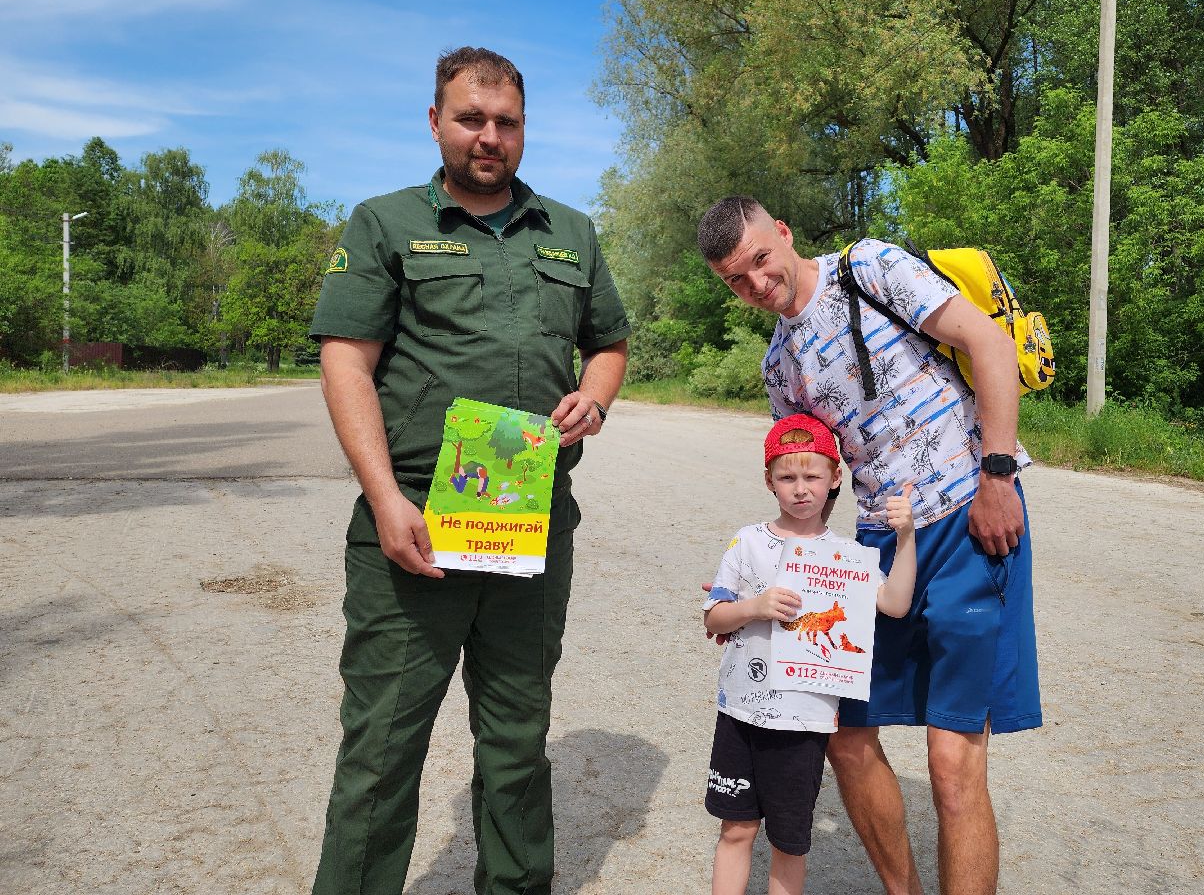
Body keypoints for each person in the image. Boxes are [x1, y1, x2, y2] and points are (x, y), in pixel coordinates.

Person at [308, 46, 630, 895]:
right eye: (471, 120)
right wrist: (383, 500)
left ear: (524, 129)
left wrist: (594, 399)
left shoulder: (570, 232)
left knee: (518, 740)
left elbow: (609, 344)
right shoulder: (383, 223)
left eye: (507, 123)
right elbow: (347, 362)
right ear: (436, 122)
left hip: (531, 523)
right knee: (381, 751)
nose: (490, 138)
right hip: (413, 524)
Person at [697, 196, 1041, 895]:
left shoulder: (870, 269)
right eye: (737, 280)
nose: (758, 285)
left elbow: (989, 344)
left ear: (783, 234)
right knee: (844, 738)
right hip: (879, 548)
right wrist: (757, 583)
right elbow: (807, 484)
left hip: (970, 518)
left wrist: (998, 476)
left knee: (951, 762)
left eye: (761, 261)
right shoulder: (778, 367)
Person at [703, 414, 917, 895]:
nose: (801, 489)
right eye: (787, 477)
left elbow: (896, 604)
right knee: (736, 829)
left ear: (834, 478)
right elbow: (714, 618)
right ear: (769, 481)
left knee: (790, 842)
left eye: (813, 476)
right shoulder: (748, 541)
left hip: (805, 723)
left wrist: (906, 538)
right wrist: (754, 607)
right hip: (740, 712)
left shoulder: (849, 555)